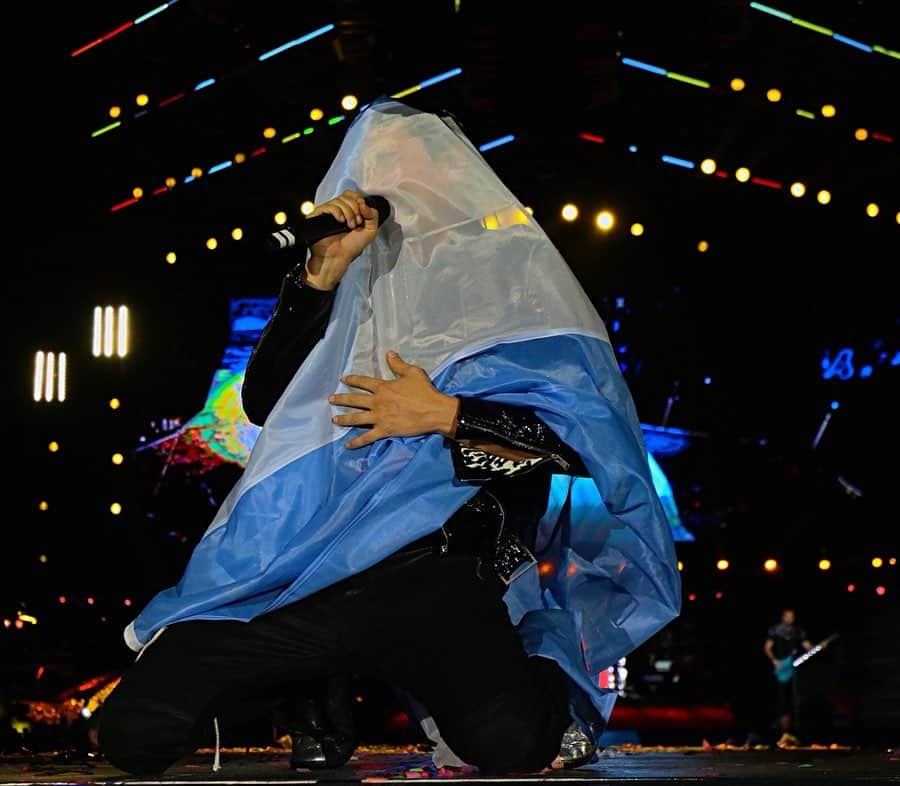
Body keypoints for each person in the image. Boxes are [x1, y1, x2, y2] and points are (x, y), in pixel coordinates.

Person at [99, 98, 680, 776]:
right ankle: (310, 686)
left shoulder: (510, 293)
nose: (394, 191)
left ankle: (539, 656)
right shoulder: (341, 276)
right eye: (376, 173)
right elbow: (262, 404)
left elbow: (580, 448)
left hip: (429, 575)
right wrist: (318, 277)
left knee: (512, 745)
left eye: (410, 173)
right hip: (304, 567)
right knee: (135, 734)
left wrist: (447, 416)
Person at [764, 608, 813, 746]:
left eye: (792, 617)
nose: (790, 619)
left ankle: (791, 732)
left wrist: (817, 647)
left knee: (792, 701)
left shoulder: (798, 631)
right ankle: (777, 731)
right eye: (787, 616)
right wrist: (774, 660)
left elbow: (807, 646)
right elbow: (767, 647)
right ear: (783, 617)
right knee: (779, 700)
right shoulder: (774, 630)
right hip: (779, 668)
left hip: (793, 669)